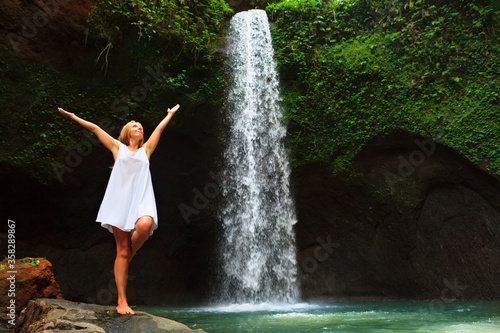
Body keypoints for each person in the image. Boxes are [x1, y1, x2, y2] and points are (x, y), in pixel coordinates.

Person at [57, 104, 180, 315]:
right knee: (121, 251)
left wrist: (168, 115)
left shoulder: (146, 150)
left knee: (145, 224)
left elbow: (159, 129)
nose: (139, 128)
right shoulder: (118, 148)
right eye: (135, 126)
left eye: (141, 126)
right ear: (127, 132)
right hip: (120, 202)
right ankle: (122, 301)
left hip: (142, 200)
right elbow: (95, 129)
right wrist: (74, 116)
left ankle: (129, 254)